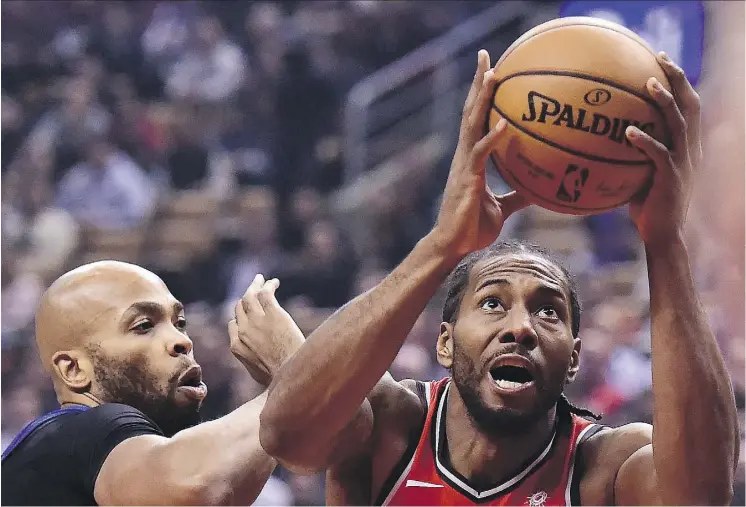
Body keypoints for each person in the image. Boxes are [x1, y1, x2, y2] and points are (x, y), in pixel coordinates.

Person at [257, 50, 739, 505]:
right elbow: (288, 434)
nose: (521, 327)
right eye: (491, 302)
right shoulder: (390, 429)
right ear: (443, 343)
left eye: (548, 310)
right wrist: (442, 242)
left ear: (574, 358)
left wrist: (665, 242)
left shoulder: (603, 469)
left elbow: (700, 497)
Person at [1, 261, 302, 506]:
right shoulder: (82, 432)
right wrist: (295, 371)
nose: (182, 340)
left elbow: (224, 489)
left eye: (180, 323)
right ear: (75, 369)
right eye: (143, 326)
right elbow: (196, 488)